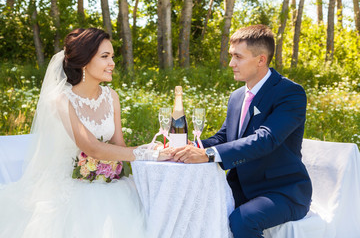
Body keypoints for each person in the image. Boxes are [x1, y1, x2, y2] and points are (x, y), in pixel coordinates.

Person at [0, 28, 170, 238]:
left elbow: (120, 146)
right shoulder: (62, 100)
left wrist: (152, 158)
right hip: (68, 188)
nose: (112, 63)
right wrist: (148, 152)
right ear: (83, 60)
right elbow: (91, 147)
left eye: (113, 57)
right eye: (104, 57)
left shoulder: (112, 96)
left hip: (110, 183)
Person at [171, 24, 312, 238]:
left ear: (261, 60)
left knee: (242, 220)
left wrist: (207, 155)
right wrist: (194, 147)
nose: (231, 63)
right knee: (196, 207)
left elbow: (266, 139)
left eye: (238, 57)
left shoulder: (290, 93)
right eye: (231, 56)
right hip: (242, 188)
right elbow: (224, 137)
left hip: (283, 191)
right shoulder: (237, 96)